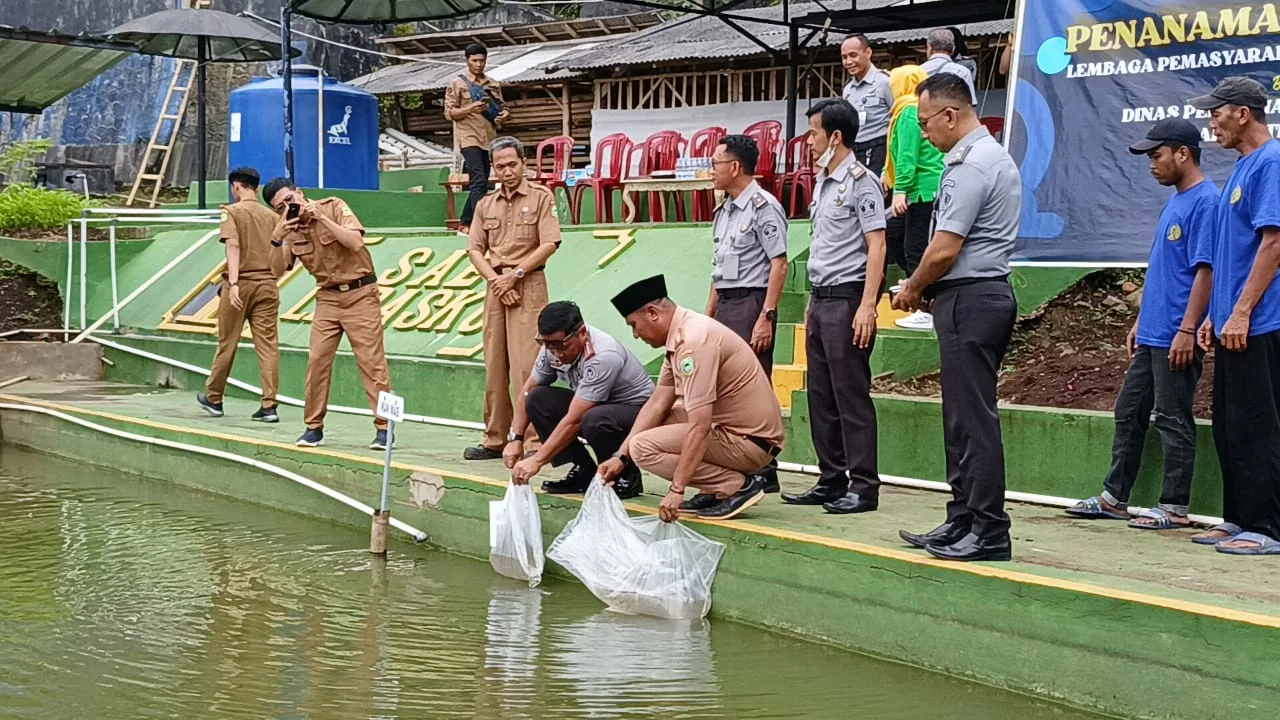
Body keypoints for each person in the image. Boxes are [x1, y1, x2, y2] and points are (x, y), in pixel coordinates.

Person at [892, 72, 1022, 561]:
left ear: (951, 114)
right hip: (964, 297)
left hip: (973, 296)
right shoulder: (973, 159)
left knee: (973, 418)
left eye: (926, 122)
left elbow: (945, 249)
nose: (924, 133)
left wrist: (913, 285)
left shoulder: (974, 163)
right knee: (959, 418)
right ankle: (963, 516)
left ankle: (989, 528)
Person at [1066, 119, 1216, 530]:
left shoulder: (1206, 202)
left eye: (1157, 155)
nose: (1152, 164)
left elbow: (1206, 272)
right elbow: (1165, 269)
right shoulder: (1177, 201)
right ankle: (1114, 497)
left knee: (1172, 416)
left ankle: (1175, 507)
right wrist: (1139, 319)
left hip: (1176, 336)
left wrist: (1188, 330)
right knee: (1129, 412)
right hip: (1152, 332)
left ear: (1182, 153)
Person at [596, 275, 784, 522]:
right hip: (736, 432)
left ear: (653, 313)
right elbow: (657, 404)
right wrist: (620, 456)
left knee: (643, 447)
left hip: (750, 442)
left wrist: (677, 489)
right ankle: (713, 488)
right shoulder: (682, 334)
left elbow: (700, 425)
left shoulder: (694, 343)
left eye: (634, 325)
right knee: (649, 428)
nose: (635, 335)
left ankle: (736, 486)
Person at [1188, 77, 1280, 555]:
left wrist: (1242, 310)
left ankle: (1268, 526)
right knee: (1230, 423)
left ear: (1243, 113)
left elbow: (1274, 243)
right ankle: (1238, 517)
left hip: (1262, 323)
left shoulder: (1272, 162)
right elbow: (1232, 253)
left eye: (1217, 112)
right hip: (1230, 323)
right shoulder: (1244, 168)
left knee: (1261, 423)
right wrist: (1215, 314)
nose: (1211, 121)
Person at [781, 98, 886, 515]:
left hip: (848, 298)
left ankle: (863, 485)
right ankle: (831, 478)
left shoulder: (862, 181)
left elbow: (876, 243)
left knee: (850, 395)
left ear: (835, 136)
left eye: (814, 133)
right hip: (821, 297)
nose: (808, 141)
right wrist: (810, 301)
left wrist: (868, 306)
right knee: (821, 395)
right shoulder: (824, 182)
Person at [262, 178, 393, 450]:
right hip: (328, 298)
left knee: (372, 362)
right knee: (317, 360)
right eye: (280, 207)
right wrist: (277, 237)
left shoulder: (333, 206)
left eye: (290, 200)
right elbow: (275, 271)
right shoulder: (290, 231)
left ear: (299, 193)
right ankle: (313, 427)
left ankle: (384, 427)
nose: (289, 207)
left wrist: (320, 217)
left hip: (361, 292)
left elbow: (355, 242)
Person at [464, 136, 560, 461]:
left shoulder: (541, 198)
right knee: (494, 365)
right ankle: (495, 437)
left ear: (524, 164)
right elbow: (474, 249)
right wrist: (496, 281)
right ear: (493, 168)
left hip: (528, 283)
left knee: (526, 366)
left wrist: (514, 276)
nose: (506, 171)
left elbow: (549, 243)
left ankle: (532, 440)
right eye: (500, 166)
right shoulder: (484, 205)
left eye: (512, 164)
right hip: (496, 287)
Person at [703, 134, 788, 498]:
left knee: (751, 387)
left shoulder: (762, 206)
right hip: (726, 303)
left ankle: (763, 467)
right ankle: (731, 464)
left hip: (752, 302)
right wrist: (708, 314)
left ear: (735, 167)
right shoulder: (724, 210)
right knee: (722, 386)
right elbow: (718, 268)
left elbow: (779, 263)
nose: (711, 171)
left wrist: (766, 314)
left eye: (716, 164)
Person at [506, 301, 652, 499]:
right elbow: (528, 389)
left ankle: (625, 475)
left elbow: (575, 420)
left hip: (638, 414)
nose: (556, 353)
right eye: (548, 345)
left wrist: (537, 460)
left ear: (582, 332)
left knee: (593, 418)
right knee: (537, 399)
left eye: (561, 345)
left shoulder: (603, 355)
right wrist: (516, 438)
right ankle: (583, 470)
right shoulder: (551, 347)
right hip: (596, 407)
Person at [197, 167, 287, 422]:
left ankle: (214, 398)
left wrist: (234, 283)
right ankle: (269, 405)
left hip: (241, 283)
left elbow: (233, 246)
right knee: (268, 345)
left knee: (228, 342)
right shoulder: (272, 217)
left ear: (236, 186)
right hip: (268, 284)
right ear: (256, 188)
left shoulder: (231, 212)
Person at [882, 64, 944, 331]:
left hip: (921, 189)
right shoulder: (906, 110)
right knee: (891, 233)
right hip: (917, 187)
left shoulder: (909, 110)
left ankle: (925, 305)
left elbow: (908, 156)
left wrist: (900, 190)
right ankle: (912, 282)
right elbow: (896, 152)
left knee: (916, 246)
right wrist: (887, 171)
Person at [444, 43, 509, 235]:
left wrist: (504, 114)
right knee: (479, 178)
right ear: (467, 61)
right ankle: (471, 223)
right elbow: (449, 113)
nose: (479, 64)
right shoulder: (457, 84)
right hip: (468, 137)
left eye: (482, 60)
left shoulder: (493, 84)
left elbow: (502, 107)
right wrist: (471, 108)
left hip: (489, 138)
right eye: (475, 61)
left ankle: (466, 223)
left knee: (482, 182)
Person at [839, 34, 895, 176]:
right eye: (844, 57)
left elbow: (897, 121)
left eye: (853, 55)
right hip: (854, 151)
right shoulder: (847, 89)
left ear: (868, 53)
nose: (848, 62)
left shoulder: (885, 82)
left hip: (879, 150)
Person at [920, 28, 977, 104]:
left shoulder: (917, 72)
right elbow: (971, 103)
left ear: (929, 48)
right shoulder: (963, 71)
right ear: (953, 49)